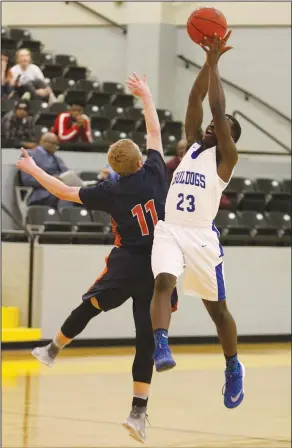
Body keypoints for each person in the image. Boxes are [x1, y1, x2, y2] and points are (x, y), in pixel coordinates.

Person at [17, 73, 177, 444]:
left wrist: (31, 168)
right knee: (145, 338)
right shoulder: (155, 171)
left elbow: (61, 189)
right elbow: (154, 131)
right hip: (160, 263)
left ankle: (53, 348)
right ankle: (138, 413)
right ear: (140, 160)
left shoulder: (109, 190)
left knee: (90, 305)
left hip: (126, 262)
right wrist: (146, 94)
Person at [150, 33, 245, 410]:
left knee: (217, 311)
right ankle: (162, 343)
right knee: (162, 281)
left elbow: (218, 112)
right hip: (170, 228)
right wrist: (207, 63)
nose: (210, 128)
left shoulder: (226, 161)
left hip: (202, 239)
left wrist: (218, 65)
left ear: (229, 138)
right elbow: (197, 101)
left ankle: (233, 366)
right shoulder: (191, 144)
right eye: (208, 127)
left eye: (220, 128)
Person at [19, 132, 74, 209]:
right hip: (42, 192)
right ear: (43, 142)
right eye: (54, 144)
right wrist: (50, 180)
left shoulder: (57, 159)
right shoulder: (29, 155)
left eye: (56, 144)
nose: (55, 147)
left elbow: (66, 174)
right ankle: (65, 220)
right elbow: (27, 179)